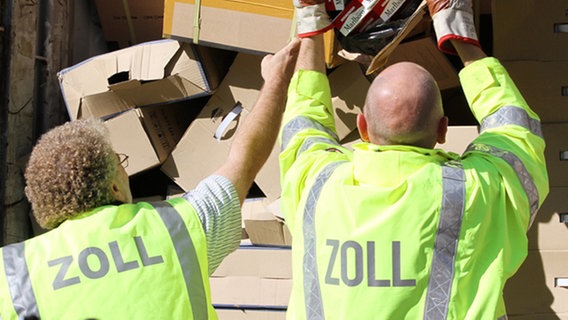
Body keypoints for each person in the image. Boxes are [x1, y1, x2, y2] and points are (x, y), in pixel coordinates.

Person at [279, 0, 549, 318]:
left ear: (362, 127)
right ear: (443, 129)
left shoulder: (317, 184)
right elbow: (517, 133)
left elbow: (303, 123)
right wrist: (457, 31)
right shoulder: (472, 193)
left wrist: (311, 27)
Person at [0, 38, 300, 320]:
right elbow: (244, 161)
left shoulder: (12, 275)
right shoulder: (176, 227)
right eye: (120, 162)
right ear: (114, 187)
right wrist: (276, 79)